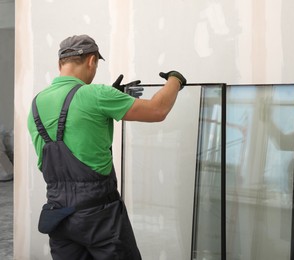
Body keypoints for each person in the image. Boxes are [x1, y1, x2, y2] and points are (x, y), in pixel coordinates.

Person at [27, 34, 186, 260]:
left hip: (58, 215)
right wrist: (175, 80)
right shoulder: (96, 94)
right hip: (100, 217)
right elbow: (157, 110)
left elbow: (75, 132)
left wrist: (110, 102)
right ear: (92, 60)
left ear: (60, 64)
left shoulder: (36, 103)